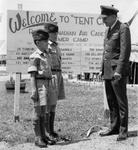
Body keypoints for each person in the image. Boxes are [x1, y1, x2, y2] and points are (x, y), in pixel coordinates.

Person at [99, 5, 131, 141]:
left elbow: (125, 51)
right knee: (111, 101)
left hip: (117, 71)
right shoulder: (108, 30)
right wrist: (102, 69)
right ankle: (114, 127)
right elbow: (106, 51)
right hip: (107, 70)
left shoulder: (123, 28)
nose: (103, 21)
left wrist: (119, 70)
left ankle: (123, 130)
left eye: (105, 18)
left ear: (113, 17)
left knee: (120, 101)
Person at [28, 29, 56, 147]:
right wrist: (34, 90)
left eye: (47, 40)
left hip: (48, 84)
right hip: (39, 85)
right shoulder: (35, 56)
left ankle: (44, 136)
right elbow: (32, 75)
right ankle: (37, 137)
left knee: (45, 112)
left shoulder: (47, 55)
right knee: (37, 111)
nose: (47, 43)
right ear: (38, 42)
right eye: (44, 41)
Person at [44, 22, 65, 140]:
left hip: (58, 74)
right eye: (53, 33)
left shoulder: (56, 46)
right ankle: (47, 131)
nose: (55, 35)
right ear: (48, 34)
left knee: (54, 104)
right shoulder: (47, 46)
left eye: (56, 33)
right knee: (48, 104)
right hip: (50, 75)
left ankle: (51, 130)